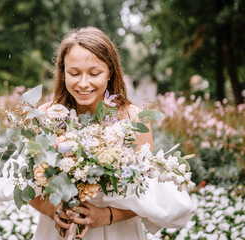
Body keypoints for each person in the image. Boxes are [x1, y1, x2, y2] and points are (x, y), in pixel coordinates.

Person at [29, 27, 195, 240]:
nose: (83, 83)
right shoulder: (45, 117)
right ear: (63, 72)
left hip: (118, 231)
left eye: (94, 73)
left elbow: (147, 195)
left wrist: (106, 216)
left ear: (110, 72)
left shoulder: (134, 120)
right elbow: (28, 184)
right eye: (74, 73)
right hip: (58, 231)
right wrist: (54, 211)